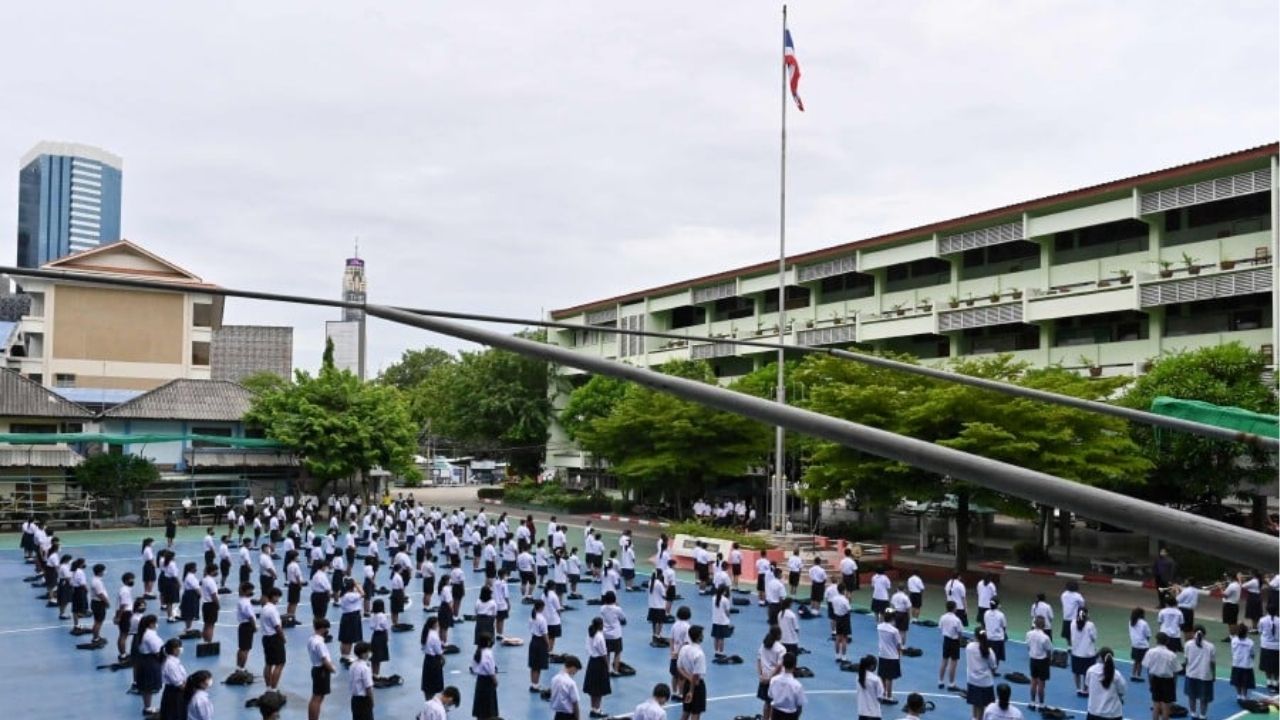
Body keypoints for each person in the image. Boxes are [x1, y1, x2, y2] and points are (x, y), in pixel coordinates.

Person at [1141, 632, 1180, 720]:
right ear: (1167, 642)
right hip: (1168, 681)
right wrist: (1174, 685)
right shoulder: (1171, 655)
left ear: (1157, 640)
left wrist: (1150, 683)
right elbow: (1175, 672)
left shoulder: (1150, 652)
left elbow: (1148, 670)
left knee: (1155, 706)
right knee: (1166, 707)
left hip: (1155, 680)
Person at [1183, 626, 1215, 720]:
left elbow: (1186, 660)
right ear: (1204, 634)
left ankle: (1193, 714)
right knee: (1204, 698)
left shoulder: (1188, 644)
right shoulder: (1210, 646)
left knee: (1191, 696)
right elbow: (1212, 663)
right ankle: (1203, 715)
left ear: (1193, 632)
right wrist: (1213, 675)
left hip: (1191, 674)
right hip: (1205, 675)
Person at [965, 629, 998, 720]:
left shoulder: (969, 647)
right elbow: (994, 667)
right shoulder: (989, 651)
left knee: (975, 704)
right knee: (982, 706)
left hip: (972, 680)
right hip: (985, 682)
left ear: (975, 636)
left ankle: (974, 718)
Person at [676, 625, 707, 720]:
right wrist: (691, 691)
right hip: (696, 687)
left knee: (686, 711)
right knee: (695, 713)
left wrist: (688, 678)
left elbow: (679, 667)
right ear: (699, 637)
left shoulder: (684, 648)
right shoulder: (699, 654)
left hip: (686, 683)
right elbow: (696, 676)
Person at [1084, 650, 1126, 720]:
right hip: (1112, 713)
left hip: (1094, 712)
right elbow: (1122, 691)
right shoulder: (1116, 674)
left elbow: (1087, 685)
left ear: (1100, 657)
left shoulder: (1091, 670)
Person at [308, 618, 337, 720]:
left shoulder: (312, 639)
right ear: (323, 629)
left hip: (316, 669)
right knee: (318, 698)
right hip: (322, 671)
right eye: (326, 629)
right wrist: (332, 669)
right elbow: (324, 659)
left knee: (315, 697)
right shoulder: (319, 643)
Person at [584, 618, 612, 718]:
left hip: (592, 661)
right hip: (599, 662)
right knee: (599, 689)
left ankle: (593, 708)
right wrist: (607, 665)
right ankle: (597, 710)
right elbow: (604, 653)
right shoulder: (599, 636)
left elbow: (587, 647)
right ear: (600, 625)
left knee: (593, 688)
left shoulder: (590, 633)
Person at [260, 586, 286, 691]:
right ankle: (274, 689)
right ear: (274, 596)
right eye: (278, 597)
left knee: (269, 663)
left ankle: (268, 687)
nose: (279, 599)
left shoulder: (264, 608)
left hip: (266, 638)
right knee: (280, 663)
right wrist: (283, 637)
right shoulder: (272, 610)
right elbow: (277, 627)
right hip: (274, 638)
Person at [757, 626, 786, 720]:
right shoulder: (781, 648)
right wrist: (770, 678)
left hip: (764, 677)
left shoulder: (763, 644)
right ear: (778, 635)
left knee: (766, 702)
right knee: (775, 703)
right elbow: (779, 666)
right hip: (775, 679)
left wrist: (761, 675)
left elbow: (759, 660)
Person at [1025, 616, 1052, 711]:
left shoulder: (1029, 634)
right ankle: (1041, 704)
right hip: (1042, 661)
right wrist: (1049, 660)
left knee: (1033, 682)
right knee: (1041, 684)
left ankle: (1032, 702)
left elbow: (1028, 646)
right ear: (1043, 625)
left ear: (1035, 624)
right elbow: (1048, 651)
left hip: (1033, 660)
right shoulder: (1045, 637)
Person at [768, 652, 806, 720]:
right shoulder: (797, 685)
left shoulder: (774, 680)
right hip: (790, 715)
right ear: (795, 665)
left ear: (783, 664)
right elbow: (800, 705)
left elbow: (771, 696)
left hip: (776, 714)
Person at [1069, 608, 1098, 696]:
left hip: (1076, 652)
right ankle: (1085, 689)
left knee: (1077, 672)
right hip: (1088, 653)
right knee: (1087, 673)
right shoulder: (1090, 625)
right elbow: (1094, 638)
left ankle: (1078, 689)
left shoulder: (1073, 623)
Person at [876, 609, 902, 704]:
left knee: (882, 676)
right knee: (889, 678)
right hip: (892, 656)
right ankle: (889, 697)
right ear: (892, 618)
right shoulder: (894, 631)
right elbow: (898, 645)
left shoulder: (879, 627)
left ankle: (882, 695)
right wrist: (899, 656)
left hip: (882, 654)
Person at [600, 591, 627, 675]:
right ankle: (615, 670)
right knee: (617, 652)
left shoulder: (602, 608)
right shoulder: (617, 609)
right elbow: (623, 619)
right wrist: (617, 605)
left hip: (605, 634)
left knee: (607, 652)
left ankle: (607, 670)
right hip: (616, 635)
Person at [938, 600, 963, 690]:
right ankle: (951, 683)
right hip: (954, 641)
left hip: (946, 640)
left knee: (944, 661)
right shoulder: (957, 620)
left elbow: (940, 628)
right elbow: (960, 632)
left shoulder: (942, 617)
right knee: (953, 663)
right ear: (954, 608)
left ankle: (940, 681)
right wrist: (960, 641)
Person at [549, 655, 583, 720]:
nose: (575, 673)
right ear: (573, 667)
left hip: (557, 715)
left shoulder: (554, 679)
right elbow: (575, 703)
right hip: (569, 716)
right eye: (576, 670)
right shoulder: (571, 683)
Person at [421, 616, 447, 700]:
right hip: (434, 661)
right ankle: (432, 702)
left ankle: (427, 701)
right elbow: (438, 651)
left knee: (427, 684)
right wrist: (443, 658)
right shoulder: (434, 636)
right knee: (434, 684)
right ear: (434, 624)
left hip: (427, 660)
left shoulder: (426, 633)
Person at [350, 641, 375, 720]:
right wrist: (372, 701)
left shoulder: (352, 665)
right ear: (364, 653)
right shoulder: (365, 668)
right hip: (363, 701)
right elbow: (368, 687)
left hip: (354, 700)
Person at [1231, 623, 1257, 701]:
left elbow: (1233, 651)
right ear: (1246, 633)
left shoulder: (1234, 640)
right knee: (1245, 682)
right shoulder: (1250, 642)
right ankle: (1244, 695)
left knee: (1237, 680)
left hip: (1236, 664)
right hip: (1246, 665)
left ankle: (1238, 694)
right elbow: (1252, 654)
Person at [529, 599, 551, 692]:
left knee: (533, 665)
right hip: (540, 642)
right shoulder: (542, 619)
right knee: (538, 665)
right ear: (541, 607)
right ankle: (536, 685)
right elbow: (544, 633)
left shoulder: (532, 617)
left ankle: (533, 684)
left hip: (533, 640)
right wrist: (548, 644)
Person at [855, 654, 885, 720]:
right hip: (874, 714)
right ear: (872, 666)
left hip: (862, 713)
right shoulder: (876, 679)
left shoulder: (858, 677)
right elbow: (880, 698)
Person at [115, 572, 136, 661]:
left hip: (124, 614)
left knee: (123, 635)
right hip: (125, 614)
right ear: (127, 580)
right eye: (131, 579)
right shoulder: (125, 591)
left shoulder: (125, 589)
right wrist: (119, 617)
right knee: (123, 635)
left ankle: (122, 653)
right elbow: (123, 605)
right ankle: (123, 655)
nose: (133, 581)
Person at [369, 599, 391, 679]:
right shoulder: (382, 615)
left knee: (374, 655)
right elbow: (385, 627)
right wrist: (387, 637)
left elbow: (371, 627)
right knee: (379, 656)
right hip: (381, 635)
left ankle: (373, 673)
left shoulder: (372, 615)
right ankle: (377, 674)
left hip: (375, 635)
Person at [983, 598, 1007, 671]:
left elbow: (985, 623)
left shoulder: (986, 613)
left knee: (988, 655)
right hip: (998, 638)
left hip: (988, 637)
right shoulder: (1001, 615)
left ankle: (987, 669)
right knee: (997, 656)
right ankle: (993, 670)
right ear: (998, 605)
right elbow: (1004, 626)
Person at [1128, 607, 1152, 681]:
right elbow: (1148, 634)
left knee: (1136, 660)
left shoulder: (1131, 622)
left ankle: (1133, 674)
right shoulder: (1144, 623)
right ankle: (1138, 675)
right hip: (1143, 645)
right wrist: (1146, 642)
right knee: (1140, 661)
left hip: (1134, 644)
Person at [710, 585, 733, 658]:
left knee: (716, 637)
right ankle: (721, 652)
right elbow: (727, 611)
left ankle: (716, 651)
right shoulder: (725, 600)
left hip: (715, 620)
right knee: (721, 638)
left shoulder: (714, 598)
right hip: (723, 621)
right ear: (725, 591)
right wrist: (729, 619)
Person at [1261, 606, 1279, 693]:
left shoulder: (1262, 620)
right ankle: (1276, 682)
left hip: (1266, 646)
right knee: (1276, 666)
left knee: (1267, 665)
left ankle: (1269, 682)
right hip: (1277, 646)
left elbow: (1260, 630)